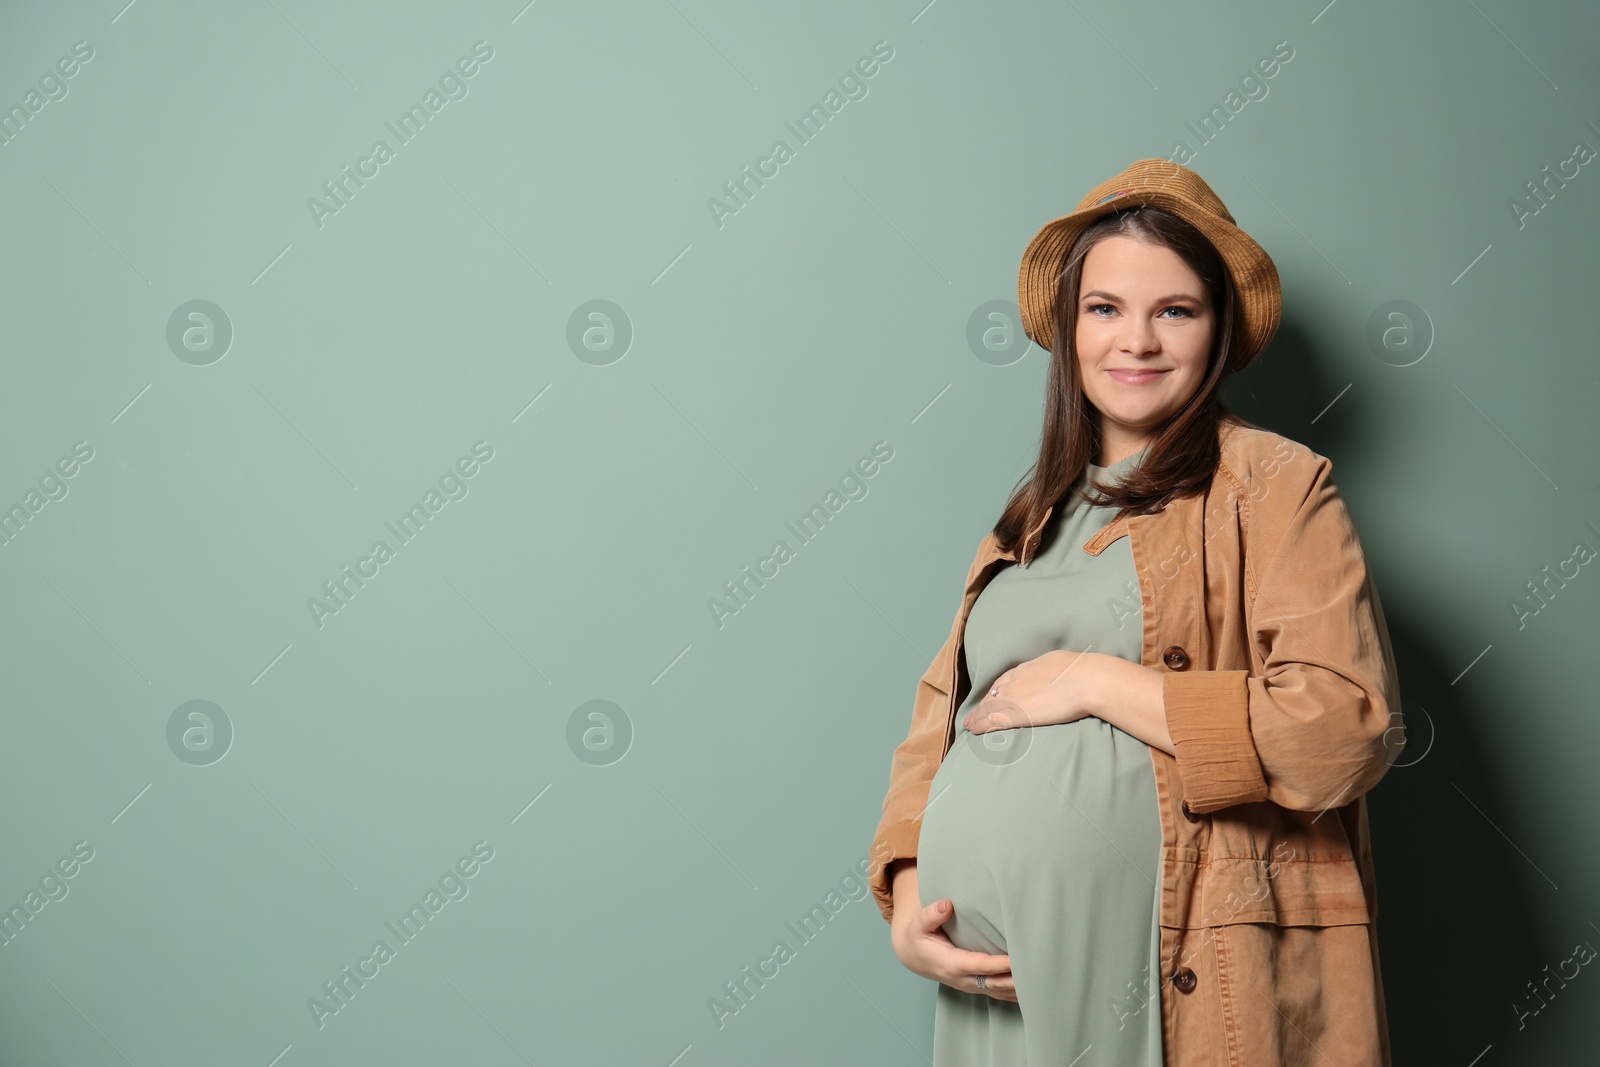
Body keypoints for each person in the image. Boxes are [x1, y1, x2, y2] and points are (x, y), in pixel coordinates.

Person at [866, 158, 1404, 1066]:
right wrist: (911, 900)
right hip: (998, 994)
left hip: (1182, 977)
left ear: (1218, 329)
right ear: (1071, 327)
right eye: (1106, 308)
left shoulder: (1275, 486)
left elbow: (1343, 729)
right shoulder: (1029, 514)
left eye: (1176, 311)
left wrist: (1095, 682)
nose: (1138, 341)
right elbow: (935, 729)